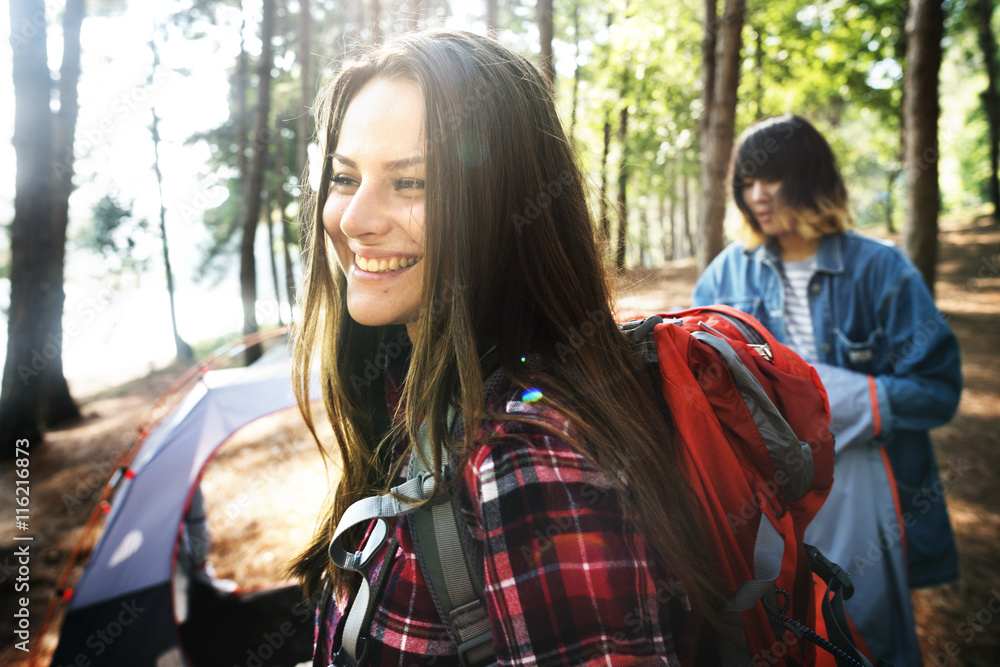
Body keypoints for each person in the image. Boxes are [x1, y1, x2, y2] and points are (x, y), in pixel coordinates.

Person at [287, 29, 734, 666]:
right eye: (344, 177)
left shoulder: (525, 461)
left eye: (411, 183)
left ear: (504, 205)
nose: (356, 218)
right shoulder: (412, 398)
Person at [692, 114, 963, 666]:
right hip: (769, 499)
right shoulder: (724, 277)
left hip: (866, 489)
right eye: (746, 181)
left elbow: (938, 389)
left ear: (812, 179)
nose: (757, 195)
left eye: (772, 178)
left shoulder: (881, 270)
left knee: (868, 632)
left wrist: (854, 400)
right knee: (785, 628)